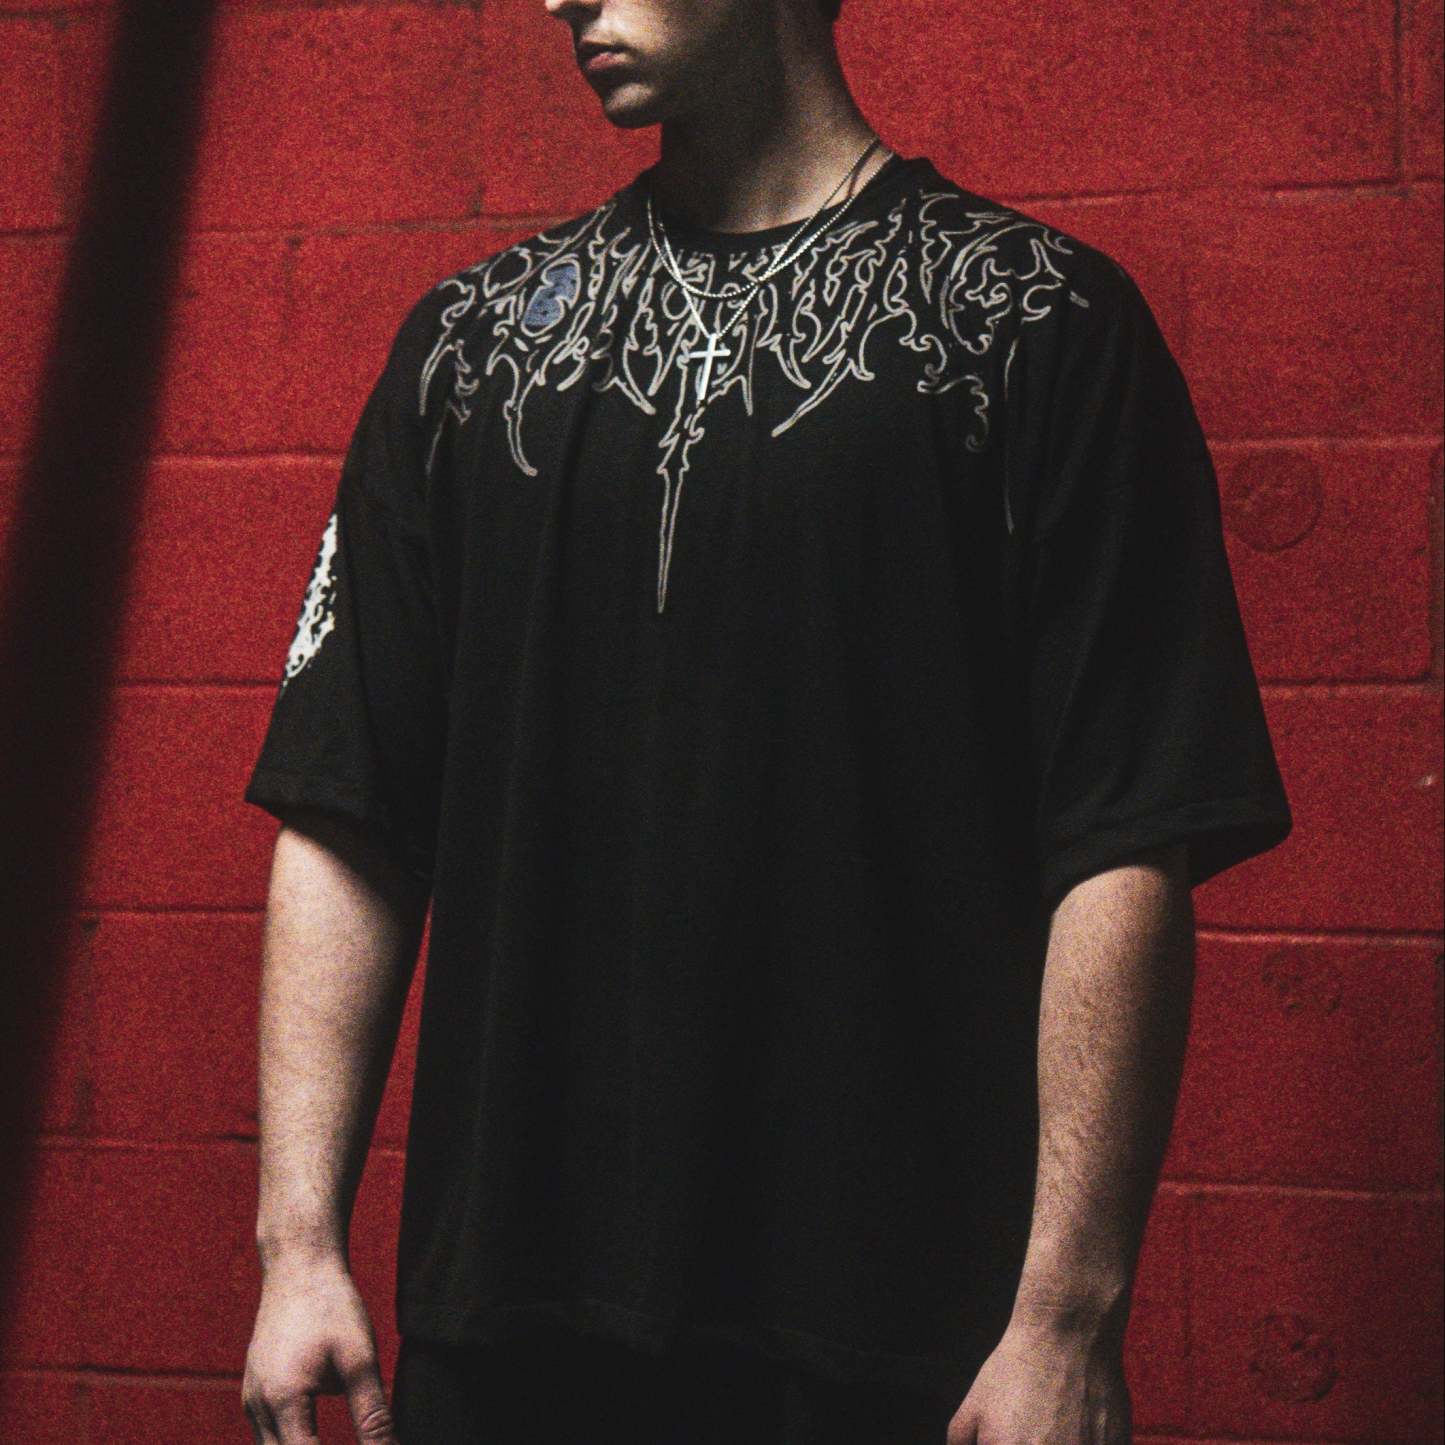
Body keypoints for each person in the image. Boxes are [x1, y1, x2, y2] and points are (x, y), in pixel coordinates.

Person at [238, 0, 1294, 1440]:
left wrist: (1065, 1318)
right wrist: (297, 1246)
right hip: (509, 1332)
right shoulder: (470, 350)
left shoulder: (1039, 326)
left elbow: (1121, 841)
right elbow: (347, 809)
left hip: (900, 1350)